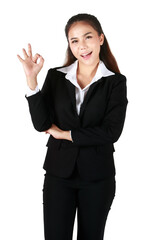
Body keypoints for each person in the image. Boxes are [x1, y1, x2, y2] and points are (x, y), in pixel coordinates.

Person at [17, 13, 128, 240]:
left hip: (98, 177)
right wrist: (32, 81)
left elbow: (111, 132)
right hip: (59, 176)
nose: (82, 46)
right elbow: (42, 124)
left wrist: (65, 134)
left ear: (100, 39)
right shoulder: (56, 77)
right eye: (74, 41)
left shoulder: (115, 82)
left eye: (88, 37)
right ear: (69, 45)